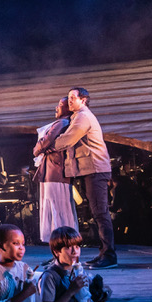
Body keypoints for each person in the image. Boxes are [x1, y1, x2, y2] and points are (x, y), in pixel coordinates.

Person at [53, 87, 116, 268]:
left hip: (96, 169)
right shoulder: (77, 116)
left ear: (84, 100)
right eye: (70, 98)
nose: (70, 101)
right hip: (91, 170)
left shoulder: (83, 117)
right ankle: (104, 253)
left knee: (100, 213)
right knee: (97, 212)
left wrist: (53, 142)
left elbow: (66, 141)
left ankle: (109, 256)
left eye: (73, 97)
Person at [33, 97, 78, 244]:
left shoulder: (62, 123)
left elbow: (45, 141)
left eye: (60, 105)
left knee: (57, 209)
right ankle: (59, 247)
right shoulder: (64, 123)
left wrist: (38, 148)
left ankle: (63, 245)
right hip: (52, 172)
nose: (56, 108)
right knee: (56, 210)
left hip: (55, 173)